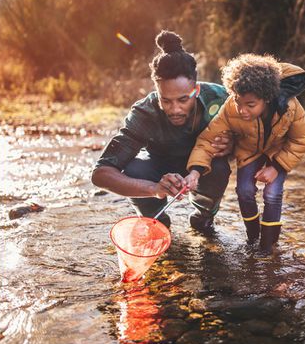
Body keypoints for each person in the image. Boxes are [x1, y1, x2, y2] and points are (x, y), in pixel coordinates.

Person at [91, 30, 233, 234]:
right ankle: (157, 223)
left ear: (197, 90)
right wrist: (153, 189)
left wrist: (233, 145)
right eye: (166, 100)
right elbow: (101, 174)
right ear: (157, 91)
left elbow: (257, 135)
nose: (175, 109)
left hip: (205, 168)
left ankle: (203, 218)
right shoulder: (144, 112)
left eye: (183, 99)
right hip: (158, 169)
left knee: (220, 167)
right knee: (134, 169)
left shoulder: (221, 99)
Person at [183, 54, 305, 254]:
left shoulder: (291, 108)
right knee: (243, 191)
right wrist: (195, 171)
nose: (242, 110)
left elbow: (301, 139)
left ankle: (268, 246)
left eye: (250, 105)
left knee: (272, 193)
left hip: (278, 153)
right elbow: (208, 140)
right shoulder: (230, 109)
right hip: (249, 151)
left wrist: (276, 167)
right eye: (237, 101)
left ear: (267, 98)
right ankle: (253, 238)